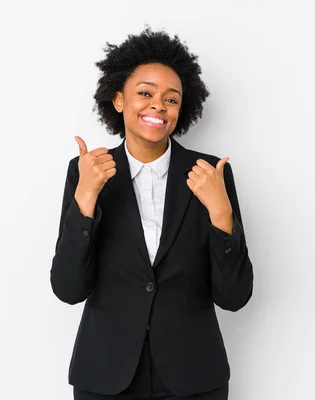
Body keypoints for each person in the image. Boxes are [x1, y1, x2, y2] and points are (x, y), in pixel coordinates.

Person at [50, 27, 254, 400]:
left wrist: (221, 213)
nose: (158, 105)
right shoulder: (86, 172)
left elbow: (234, 296)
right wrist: (85, 201)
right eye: (145, 93)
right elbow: (68, 289)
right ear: (118, 99)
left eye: (171, 99)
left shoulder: (210, 175)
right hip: (105, 376)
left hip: (194, 377)